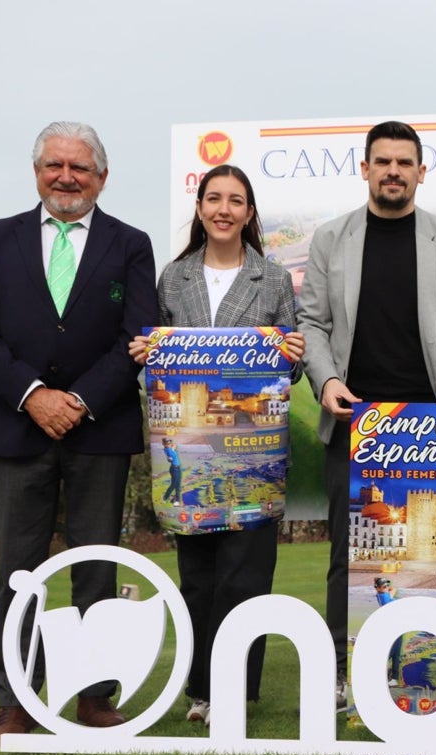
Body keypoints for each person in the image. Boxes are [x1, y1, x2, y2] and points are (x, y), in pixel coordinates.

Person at [0, 121, 157, 748]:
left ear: (102, 176)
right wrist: (32, 396)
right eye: (53, 166)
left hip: (99, 428)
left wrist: (77, 401)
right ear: (37, 171)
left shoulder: (131, 243)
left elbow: (139, 339)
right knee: (19, 572)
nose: (65, 177)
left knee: (96, 567)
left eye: (79, 167)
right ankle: (14, 703)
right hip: (20, 428)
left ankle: (94, 698)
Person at [297, 120, 436, 710]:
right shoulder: (331, 239)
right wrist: (325, 379)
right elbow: (313, 325)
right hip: (355, 423)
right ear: (365, 169)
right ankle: (339, 671)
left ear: (421, 171)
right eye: (383, 162)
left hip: (427, 424)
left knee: (425, 557)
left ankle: (426, 666)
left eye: (405, 162)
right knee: (345, 556)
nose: (394, 172)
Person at [129, 164, 305, 726]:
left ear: (250, 213)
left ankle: (234, 690)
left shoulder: (273, 279)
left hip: (253, 455)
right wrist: (145, 359)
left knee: (246, 578)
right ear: (200, 208)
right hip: (187, 446)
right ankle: (201, 690)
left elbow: (289, 373)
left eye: (236, 200)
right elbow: (156, 364)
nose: (224, 209)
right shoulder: (172, 279)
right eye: (214, 199)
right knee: (198, 578)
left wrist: (291, 352)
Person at [373, 577, 403, 687]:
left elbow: (392, 590)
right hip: (392, 627)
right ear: (378, 588)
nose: (386, 588)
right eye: (384, 586)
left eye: (386, 586)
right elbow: (393, 590)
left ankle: (394, 678)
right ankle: (379, 674)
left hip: (397, 626)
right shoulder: (383, 597)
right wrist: (389, 590)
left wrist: (387, 588)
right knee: (391, 653)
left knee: (396, 654)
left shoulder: (384, 594)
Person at [162, 438, 183, 505]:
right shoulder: (168, 450)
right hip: (174, 468)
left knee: (178, 485)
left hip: (177, 468)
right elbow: (171, 458)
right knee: (174, 484)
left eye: (169, 443)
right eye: (167, 443)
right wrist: (173, 448)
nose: (168, 444)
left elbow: (173, 446)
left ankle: (177, 501)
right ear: (164, 444)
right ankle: (165, 497)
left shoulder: (169, 449)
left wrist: (172, 446)